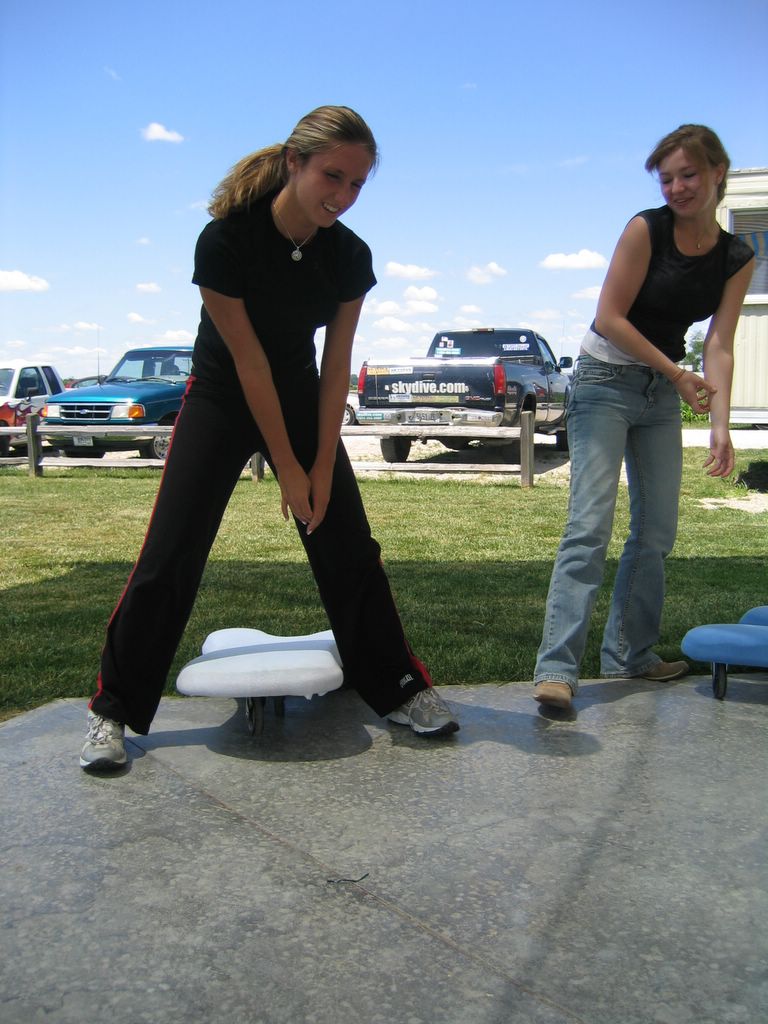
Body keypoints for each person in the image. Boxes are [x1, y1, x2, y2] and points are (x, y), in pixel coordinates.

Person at [80, 105, 459, 769]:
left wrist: (320, 466)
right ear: (294, 162)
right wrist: (288, 466)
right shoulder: (225, 240)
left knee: (348, 547)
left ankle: (401, 688)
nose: (343, 196)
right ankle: (113, 711)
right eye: (332, 176)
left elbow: (336, 365)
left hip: (302, 395)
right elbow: (249, 364)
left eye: (357, 184)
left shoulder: (349, 255)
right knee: (171, 553)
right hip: (221, 396)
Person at [533, 124, 755, 712]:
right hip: (605, 380)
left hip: (660, 392)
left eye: (688, 175)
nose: (677, 188)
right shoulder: (646, 229)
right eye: (667, 179)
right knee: (589, 525)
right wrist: (677, 373)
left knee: (656, 531)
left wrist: (721, 424)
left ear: (717, 174)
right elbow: (610, 317)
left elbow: (720, 343)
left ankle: (630, 654)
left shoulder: (736, 256)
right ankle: (556, 669)